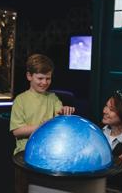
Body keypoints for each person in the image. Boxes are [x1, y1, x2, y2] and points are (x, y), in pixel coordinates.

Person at [10, 54, 75, 193]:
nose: (44, 82)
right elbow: (16, 131)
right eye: (40, 78)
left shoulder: (53, 98)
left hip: (47, 157)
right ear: (29, 76)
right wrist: (42, 128)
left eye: (48, 78)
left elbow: (60, 115)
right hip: (25, 156)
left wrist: (65, 111)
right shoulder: (20, 100)